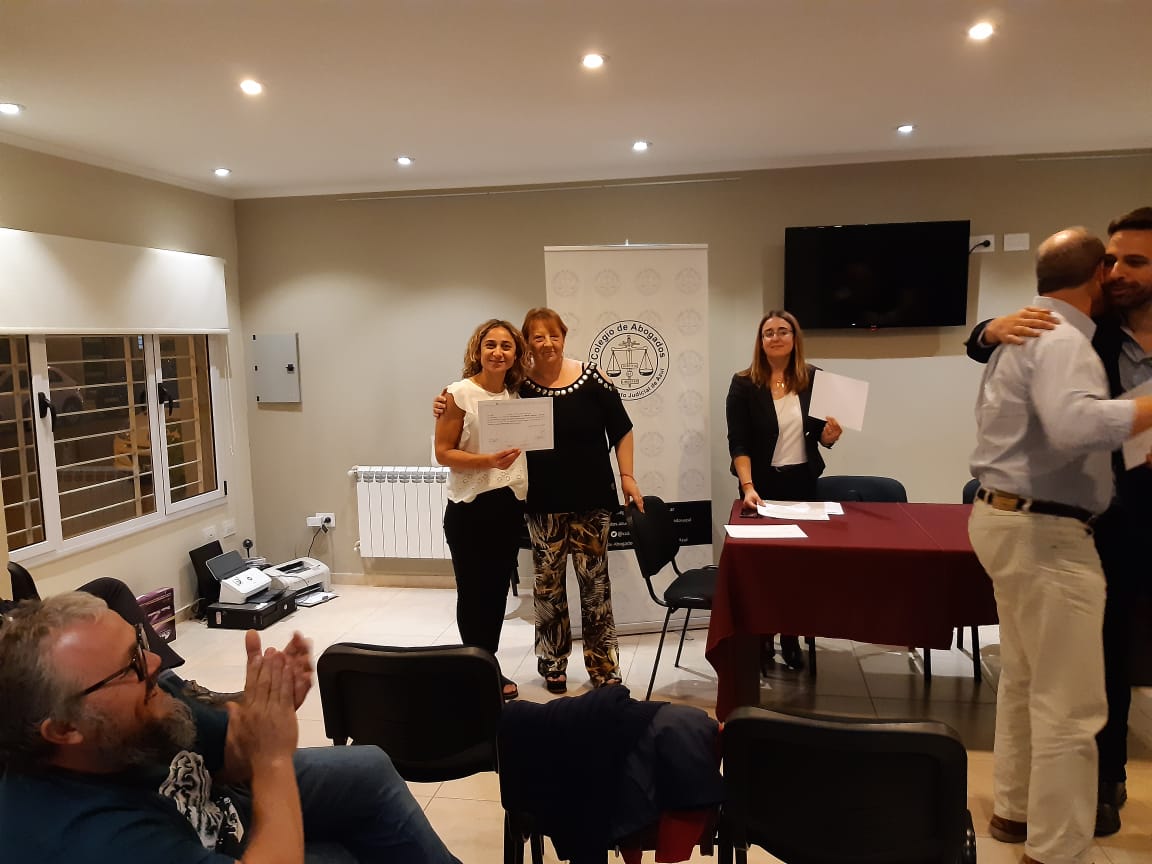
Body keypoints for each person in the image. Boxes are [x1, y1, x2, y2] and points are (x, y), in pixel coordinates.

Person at [0, 592, 462, 863]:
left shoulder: (143, 708)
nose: (156, 662)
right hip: (207, 842)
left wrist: (266, 706)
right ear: (65, 730)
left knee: (369, 769)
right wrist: (273, 758)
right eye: (131, 665)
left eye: (138, 644)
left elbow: (230, 750)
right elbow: (262, 760)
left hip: (223, 814)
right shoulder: (86, 838)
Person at [967, 227, 1152, 864]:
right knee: (1070, 706)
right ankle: (1057, 849)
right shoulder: (1062, 338)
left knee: (1024, 679)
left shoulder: (1026, 331)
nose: (1119, 275)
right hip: (1047, 532)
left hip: (1008, 517)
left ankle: (1015, 812)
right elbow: (1074, 425)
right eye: (1114, 264)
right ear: (1096, 275)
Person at [433, 307, 641, 693]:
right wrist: (444, 404)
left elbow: (623, 429)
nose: (547, 343)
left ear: (564, 337)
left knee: (595, 586)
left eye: (553, 335)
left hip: (593, 502)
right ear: (527, 345)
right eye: (537, 337)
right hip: (541, 503)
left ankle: (603, 666)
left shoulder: (595, 378)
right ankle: (552, 662)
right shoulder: (519, 387)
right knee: (547, 588)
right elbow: (473, 402)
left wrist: (627, 477)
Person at [724, 310, 842, 671]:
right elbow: (738, 442)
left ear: (795, 338)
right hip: (760, 487)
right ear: (760, 342)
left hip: (802, 485)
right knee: (764, 569)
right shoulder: (744, 384)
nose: (775, 338)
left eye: (782, 331)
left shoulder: (814, 379)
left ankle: (791, 636)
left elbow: (820, 433)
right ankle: (762, 636)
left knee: (797, 569)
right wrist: (747, 486)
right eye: (768, 333)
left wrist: (829, 436)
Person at [434, 318, 529, 701]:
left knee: (495, 594)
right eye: (491, 344)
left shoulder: (516, 396)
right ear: (478, 349)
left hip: (507, 508)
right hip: (470, 510)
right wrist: (488, 461)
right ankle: (476, 668)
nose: (498, 352)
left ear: (515, 355)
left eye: (506, 346)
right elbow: (443, 453)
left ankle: (485, 664)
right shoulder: (457, 393)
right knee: (473, 593)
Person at [3, 563, 237, 705]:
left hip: (20, 620)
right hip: (14, 644)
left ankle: (171, 684)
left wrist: (32, 613)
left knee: (109, 588)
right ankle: (175, 690)